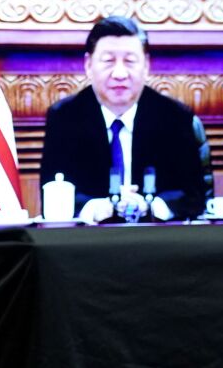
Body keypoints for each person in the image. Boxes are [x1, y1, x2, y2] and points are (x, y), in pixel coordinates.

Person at [39, 16, 206, 223]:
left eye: (130, 61)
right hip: (89, 242)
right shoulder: (65, 118)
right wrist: (94, 206)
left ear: (146, 66)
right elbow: (53, 190)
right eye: (108, 61)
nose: (119, 73)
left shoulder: (174, 117)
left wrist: (151, 205)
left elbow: (194, 195)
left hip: (159, 241)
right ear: (88, 65)